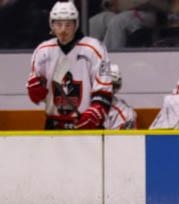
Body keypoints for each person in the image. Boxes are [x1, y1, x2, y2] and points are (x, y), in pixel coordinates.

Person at [27, 1, 113, 130]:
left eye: (68, 25)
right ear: (52, 25)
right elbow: (36, 94)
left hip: (86, 126)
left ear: (76, 25)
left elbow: (104, 88)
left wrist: (96, 111)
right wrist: (34, 91)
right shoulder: (43, 51)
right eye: (58, 24)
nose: (63, 30)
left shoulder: (94, 49)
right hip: (54, 127)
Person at [88, 0, 169, 50]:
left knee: (118, 22)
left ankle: (113, 63)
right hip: (122, 12)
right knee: (96, 22)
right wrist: (109, 4)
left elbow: (150, 2)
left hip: (148, 12)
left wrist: (121, 4)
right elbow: (107, 3)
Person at [104, 63, 137, 129]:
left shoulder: (126, 114)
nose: (106, 89)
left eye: (111, 86)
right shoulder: (83, 106)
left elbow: (128, 139)